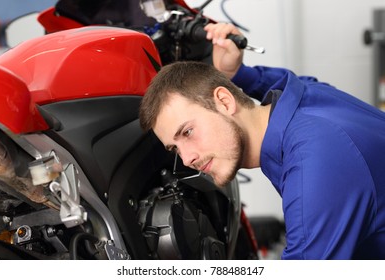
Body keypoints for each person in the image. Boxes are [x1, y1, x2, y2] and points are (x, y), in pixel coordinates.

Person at [139, 22, 385, 260]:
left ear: (225, 102)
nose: (187, 158)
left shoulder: (315, 163)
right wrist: (236, 74)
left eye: (188, 132)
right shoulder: (308, 100)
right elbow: (289, 82)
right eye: (174, 148)